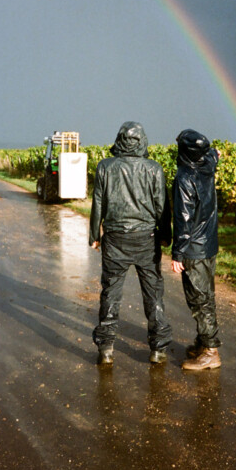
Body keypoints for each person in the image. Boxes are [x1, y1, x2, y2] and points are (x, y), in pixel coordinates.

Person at [89, 121, 172, 366]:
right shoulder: (154, 169)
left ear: (119, 140)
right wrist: (165, 235)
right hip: (146, 240)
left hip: (115, 239)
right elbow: (162, 206)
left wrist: (94, 235)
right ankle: (158, 349)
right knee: (153, 294)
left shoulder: (105, 166)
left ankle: (106, 349)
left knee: (111, 293)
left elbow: (98, 202)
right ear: (143, 141)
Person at [171, 129, 222, 371]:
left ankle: (211, 352)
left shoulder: (184, 178)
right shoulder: (208, 164)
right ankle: (203, 343)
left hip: (194, 248)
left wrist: (178, 253)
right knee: (206, 295)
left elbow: (184, 218)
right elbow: (214, 154)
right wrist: (214, 152)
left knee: (200, 300)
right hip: (209, 244)